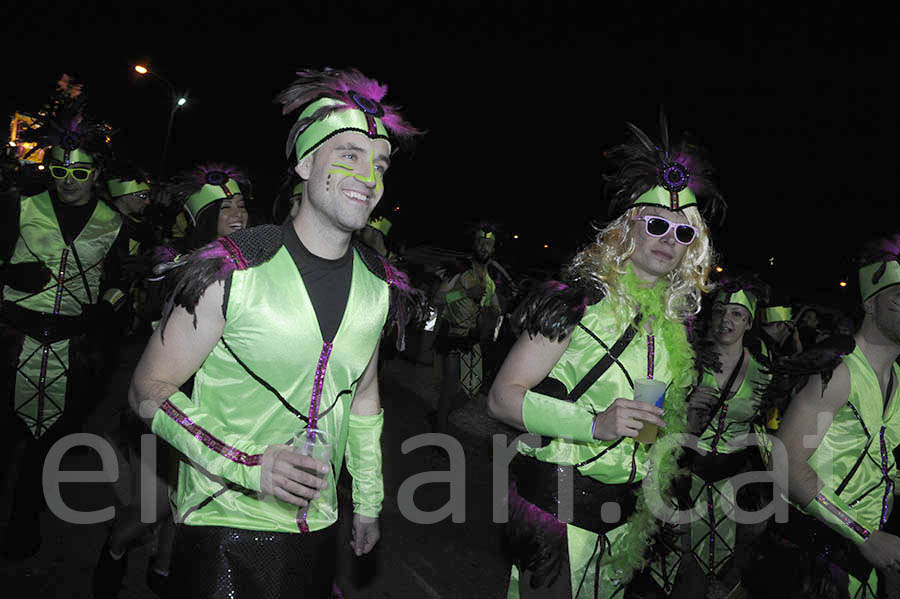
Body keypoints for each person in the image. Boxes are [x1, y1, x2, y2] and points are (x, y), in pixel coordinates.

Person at [128, 67, 422, 598]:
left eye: (380, 164)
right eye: (349, 155)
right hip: (224, 519)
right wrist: (250, 465)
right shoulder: (230, 270)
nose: (369, 177)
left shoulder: (380, 289)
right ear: (306, 164)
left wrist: (370, 503)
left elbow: (363, 399)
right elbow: (148, 392)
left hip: (319, 524)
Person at [487, 116, 724, 598]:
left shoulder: (675, 327)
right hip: (559, 514)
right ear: (625, 228)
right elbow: (501, 398)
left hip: (624, 525)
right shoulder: (577, 300)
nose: (667, 240)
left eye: (682, 233)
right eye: (657, 224)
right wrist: (594, 424)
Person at [92, 164, 251, 598]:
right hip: (171, 405)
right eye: (225, 210)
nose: (238, 215)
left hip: (219, 409)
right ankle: (115, 549)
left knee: (192, 509)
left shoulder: (254, 268)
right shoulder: (182, 269)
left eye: (241, 206)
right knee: (156, 506)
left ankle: (163, 573)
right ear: (203, 220)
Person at [0, 79, 128, 559]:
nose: (67, 179)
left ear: (97, 173)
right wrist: (8, 271)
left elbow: (121, 284)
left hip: (70, 352)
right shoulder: (18, 207)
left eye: (79, 171)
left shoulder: (114, 224)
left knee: (43, 449)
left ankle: (21, 530)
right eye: (59, 169)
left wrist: (105, 307)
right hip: (11, 342)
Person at [761, 235, 900, 598]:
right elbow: (786, 461)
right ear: (871, 304)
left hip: (869, 559)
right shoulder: (840, 373)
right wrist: (865, 535)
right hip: (813, 561)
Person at [678, 277, 772, 597]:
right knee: (675, 562)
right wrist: (686, 408)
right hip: (684, 475)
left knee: (714, 564)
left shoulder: (764, 373)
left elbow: (763, 429)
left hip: (728, 486)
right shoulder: (687, 359)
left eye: (736, 314)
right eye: (720, 311)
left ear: (748, 323)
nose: (726, 320)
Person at [432, 225, 502, 433]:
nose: (484, 247)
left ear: (494, 248)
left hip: (472, 339)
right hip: (451, 334)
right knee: (450, 385)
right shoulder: (460, 268)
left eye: (488, 244)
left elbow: (494, 306)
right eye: (481, 242)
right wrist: (463, 294)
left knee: (472, 388)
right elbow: (437, 298)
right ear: (474, 244)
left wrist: (493, 310)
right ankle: (440, 429)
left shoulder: (490, 280)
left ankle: (439, 416)